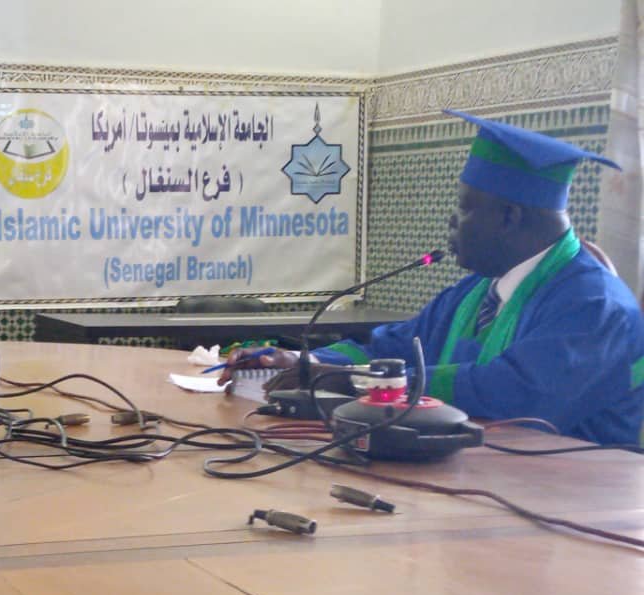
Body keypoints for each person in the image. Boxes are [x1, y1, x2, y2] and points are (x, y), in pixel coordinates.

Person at [221, 109, 644, 446]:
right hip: (480, 480)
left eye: (464, 207)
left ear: (509, 217)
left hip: (577, 503)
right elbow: (390, 348)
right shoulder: (476, 292)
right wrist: (306, 362)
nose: (452, 221)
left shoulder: (595, 305)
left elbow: (512, 396)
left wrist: (352, 380)